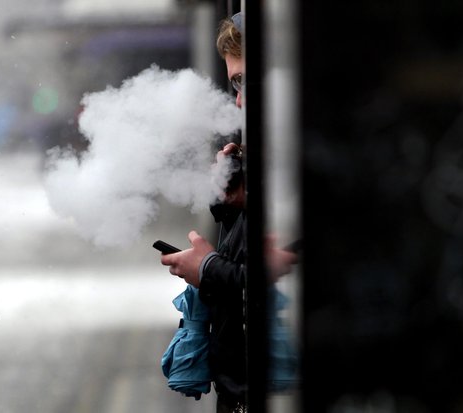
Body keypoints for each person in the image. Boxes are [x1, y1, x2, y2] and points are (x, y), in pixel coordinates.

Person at [159, 11, 297, 413]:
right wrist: (232, 201)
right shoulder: (273, 162)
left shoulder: (308, 168)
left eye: (243, 82)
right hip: (241, 386)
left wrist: (207, 268)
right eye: (233, 83)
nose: (237, 100)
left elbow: (275, 275)